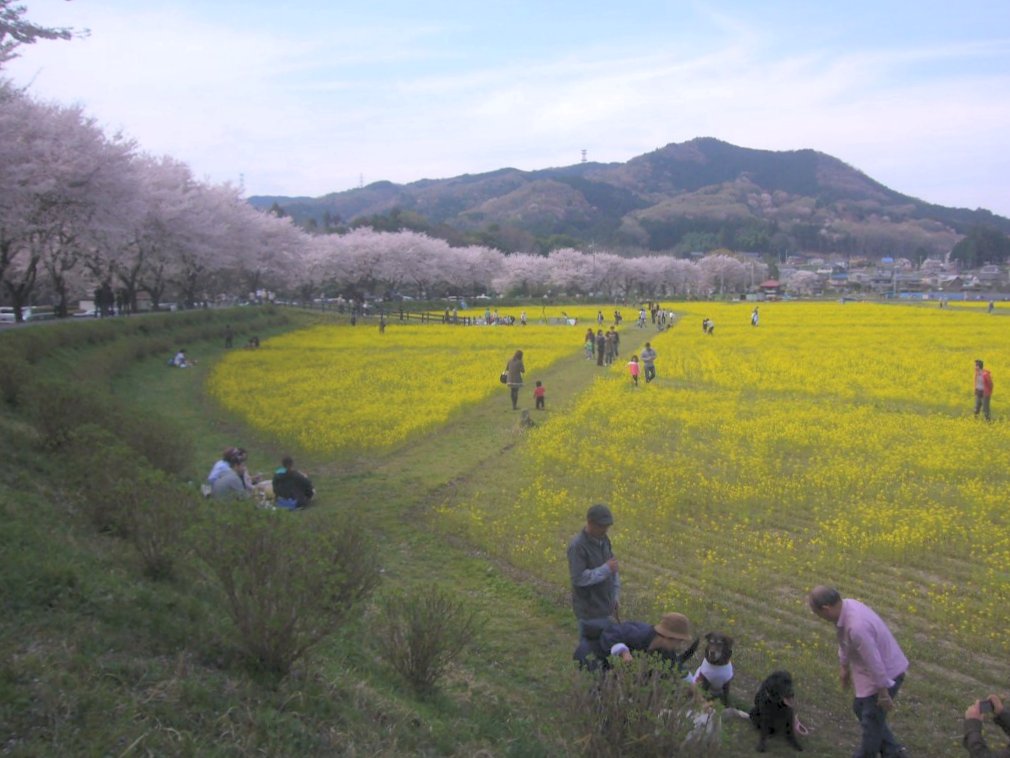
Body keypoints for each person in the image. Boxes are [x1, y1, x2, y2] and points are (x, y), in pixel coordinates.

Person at [809, 586, 909, 758]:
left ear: (826, 609)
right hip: (874, 671)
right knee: (861, 709)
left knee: (871, 721)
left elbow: (875, 663)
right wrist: (844, 667)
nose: (820, 618)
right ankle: (893, 753)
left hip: (886, 674)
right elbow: (844, 642)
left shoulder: (857, 626)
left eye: (818, 614)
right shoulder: (846, 606)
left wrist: (883, 693)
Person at [567, 504, 620, 641]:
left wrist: (615, 596)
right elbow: (578, 578)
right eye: (602, 526)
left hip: (605, 607)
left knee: (605, 648)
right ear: (590, 523)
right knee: (590, 651)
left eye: (607, 526)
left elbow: (613, 569)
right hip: (588, 611)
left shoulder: (604, 540)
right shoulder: (578, 546)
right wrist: (605, 569)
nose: (605, 529)